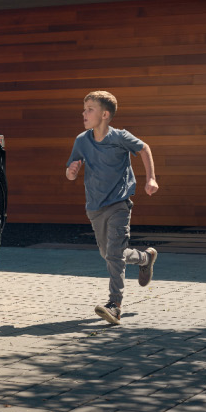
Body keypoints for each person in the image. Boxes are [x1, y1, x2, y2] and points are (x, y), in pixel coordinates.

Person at [65, 90, 160, 326]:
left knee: (114, 254)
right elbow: (70, 170)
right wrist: (72, 171)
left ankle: (115, 305)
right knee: (108, 254)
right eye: (84, 108)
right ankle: (145, 258)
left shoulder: (120, 137)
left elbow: (145, 148)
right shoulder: (82, 140)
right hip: (95, 206)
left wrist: (151, 178)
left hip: (119, 203)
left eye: (90, 109)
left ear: (105, 114)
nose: (84, 113)